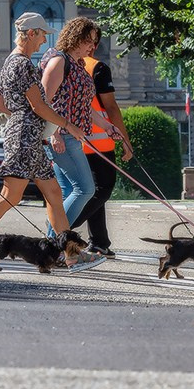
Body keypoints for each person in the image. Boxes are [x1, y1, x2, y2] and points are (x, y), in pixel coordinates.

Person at [0, 13, 105, 272]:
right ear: (31, 33)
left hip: (27, 135)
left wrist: (24, 117)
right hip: (25, 137)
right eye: (43, 34)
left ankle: (71, 255)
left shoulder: (11, 61)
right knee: (10, 195)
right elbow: (38, 105)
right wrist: (66, 125)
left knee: (55, 195)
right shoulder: (23, 64)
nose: (45, 40)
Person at [70, 35, 134, 258]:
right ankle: (63, 228)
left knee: (93, 192)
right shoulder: (97, 67)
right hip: (99, 141)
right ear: (93, 45)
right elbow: (111, 107)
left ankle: (99, 241)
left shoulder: (65, 64)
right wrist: (125, 140)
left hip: (74, 140)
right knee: (103, 189)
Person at [39, 17, 99, 229]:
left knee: (66, 193)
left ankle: (53, 242)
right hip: (61, 137)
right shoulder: (59, 61)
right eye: (89, 40)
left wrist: (108, 126)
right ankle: (57, 239)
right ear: (76, 38)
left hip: (71, 136)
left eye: (94, 42)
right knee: (85, 189)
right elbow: (44, 101)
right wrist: (54, 134)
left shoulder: (78, 64)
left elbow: (83, 105)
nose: (92, 46)